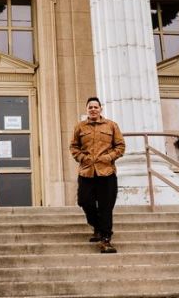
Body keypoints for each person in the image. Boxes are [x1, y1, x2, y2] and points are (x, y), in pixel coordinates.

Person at [69, 96, 125, 254]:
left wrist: (108, 157)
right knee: (84, 201)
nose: (93, 109)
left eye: (95, 107)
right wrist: (81, 157)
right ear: (86, 110)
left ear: (100, 109)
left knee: (106, 206)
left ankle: (105, 239)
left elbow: (120, 146)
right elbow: (73, 146)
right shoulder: (80, 127)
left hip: (106, 172)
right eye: (90, 107)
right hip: (86, 171)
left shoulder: (111, 126)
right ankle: (97, 227)